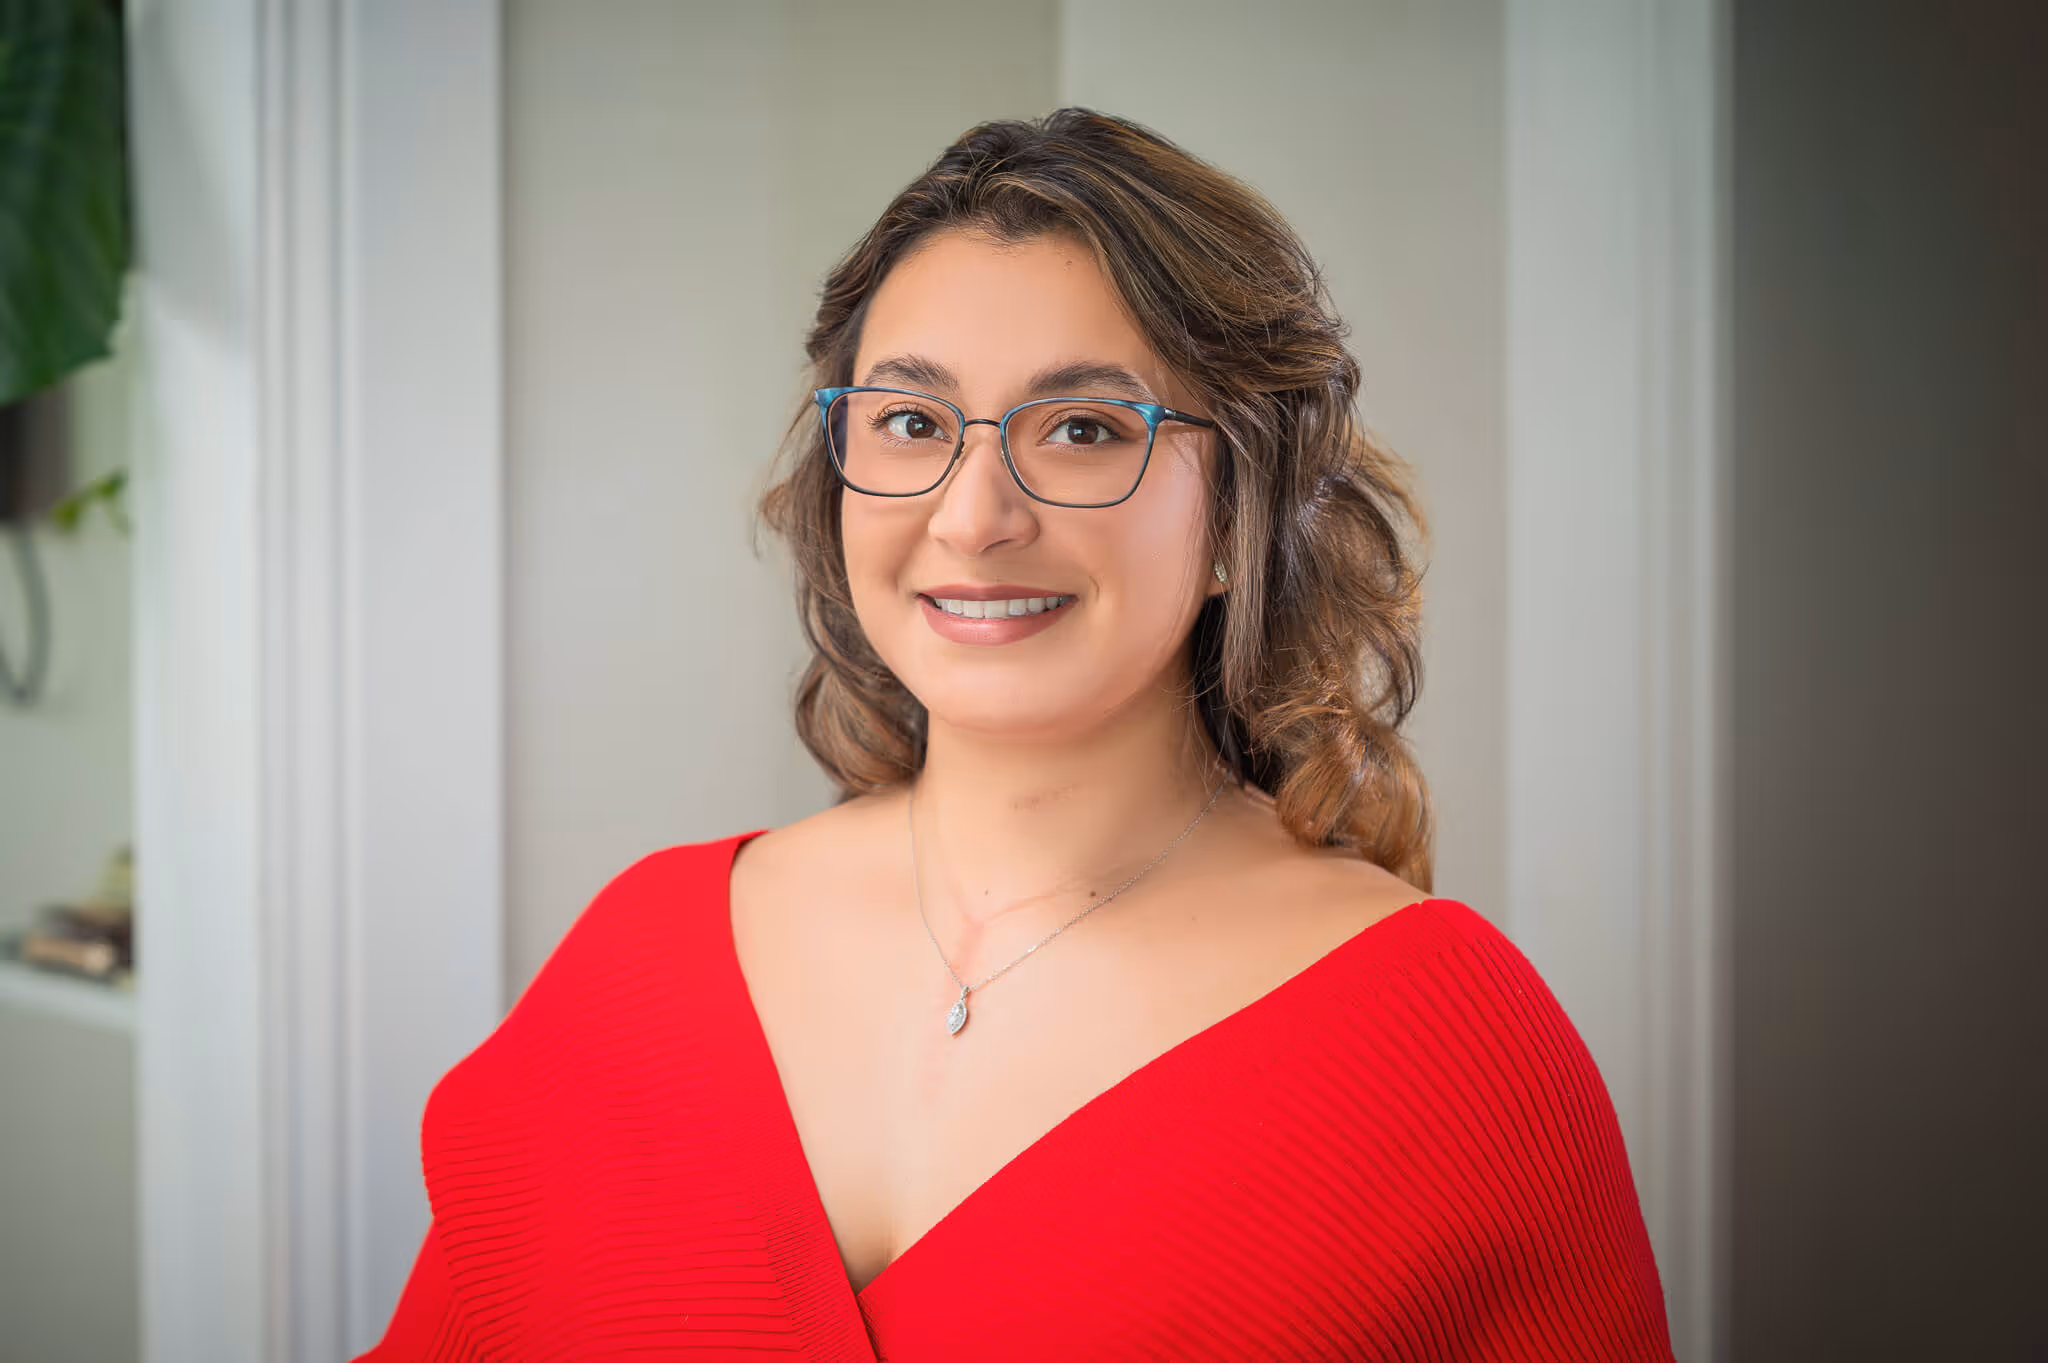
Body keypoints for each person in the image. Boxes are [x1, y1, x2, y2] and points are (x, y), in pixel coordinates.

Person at [356, 108, 1675, 1361]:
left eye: (1085, 429)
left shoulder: (1450, 1046)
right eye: (911, 423)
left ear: (1239, 511)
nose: (974, 516)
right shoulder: (637, 959)